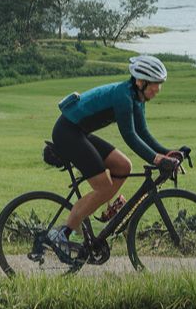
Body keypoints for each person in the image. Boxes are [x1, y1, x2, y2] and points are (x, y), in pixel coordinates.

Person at [46, 54, 180, 257]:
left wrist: (167, 152)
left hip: (79, 132)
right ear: (140, 82)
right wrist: (156, 159)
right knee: (104, 186)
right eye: (155, 84)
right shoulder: (123, 97)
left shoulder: (137, 97)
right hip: (67, 133)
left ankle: (105, 213)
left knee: (123, 166)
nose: (158, 89)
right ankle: (62, 233)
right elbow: (130, 136)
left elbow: (143, 132)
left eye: (160, 84)